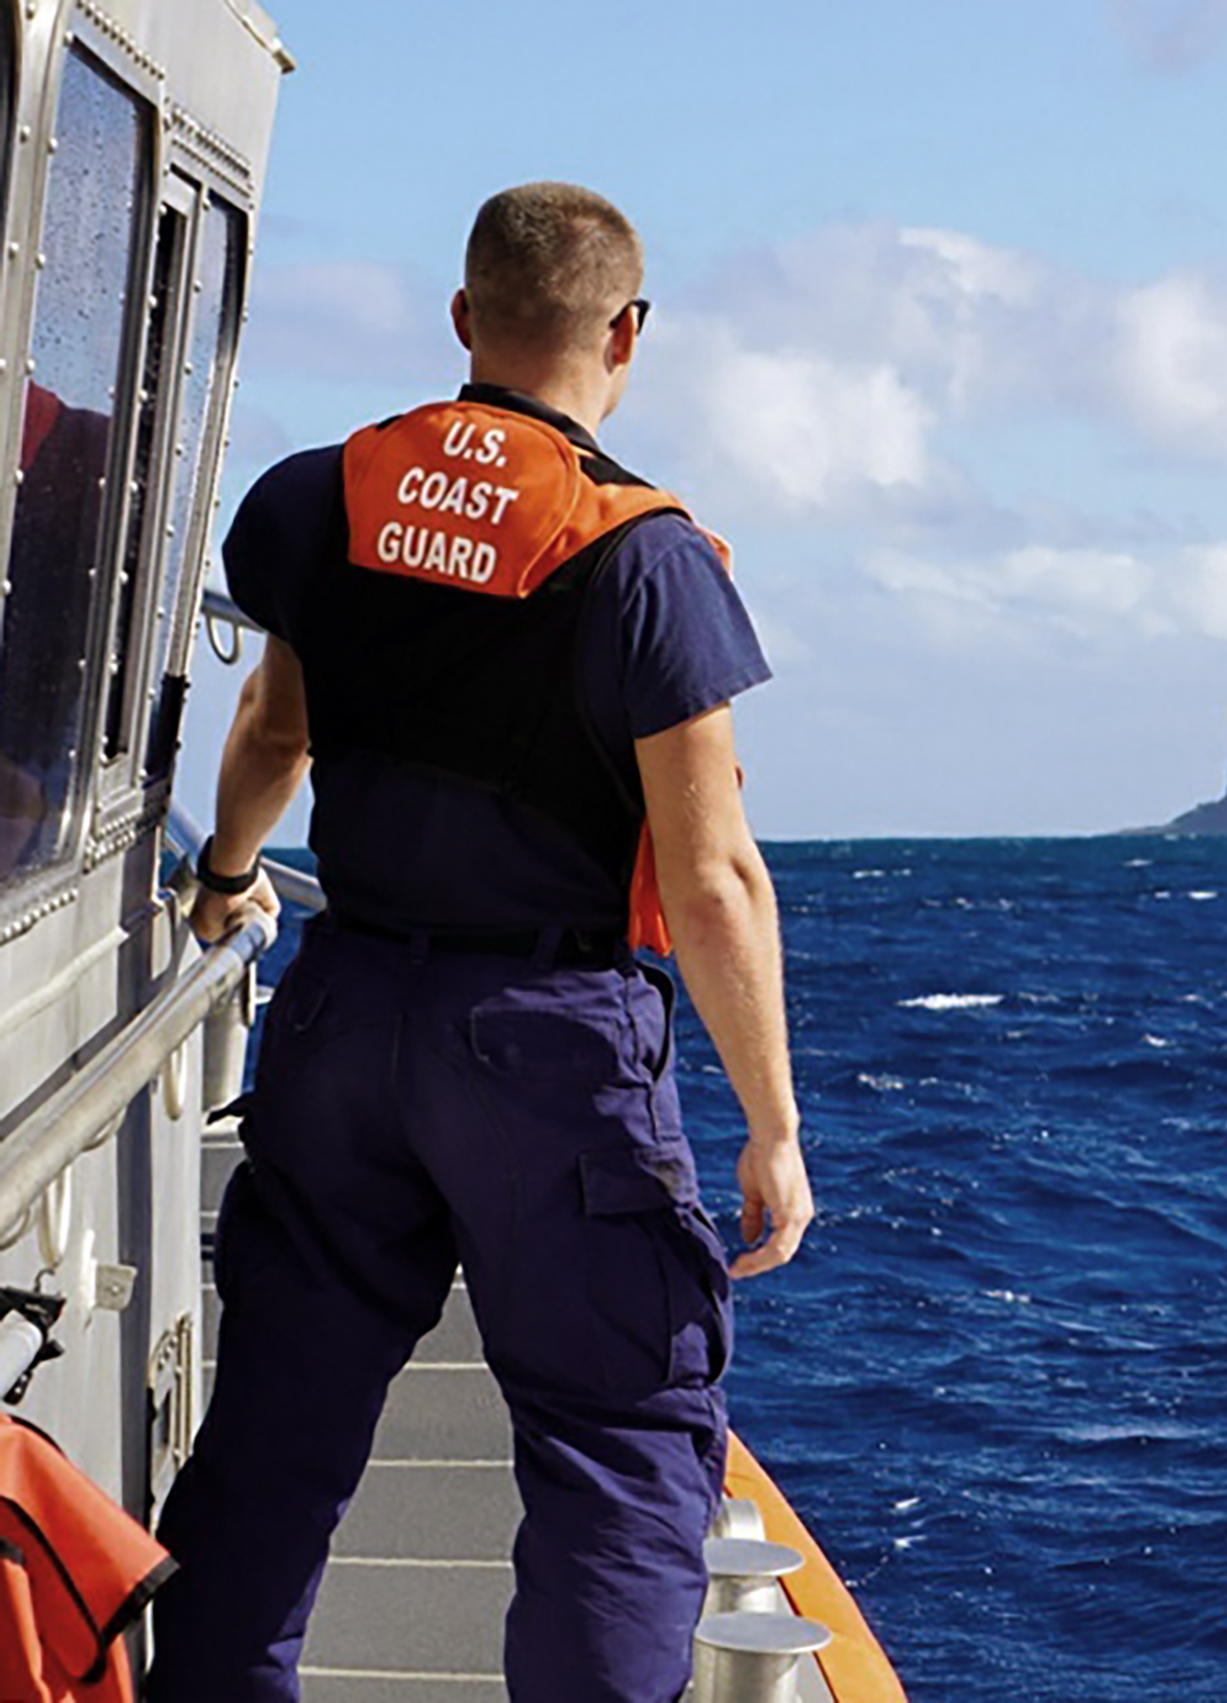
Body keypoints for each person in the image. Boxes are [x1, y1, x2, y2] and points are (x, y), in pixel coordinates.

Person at [148, 182, 815, 1703]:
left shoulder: (322, 500)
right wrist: (773, 1127)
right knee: (616, 1446)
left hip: (345, 1018)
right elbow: (712, 880)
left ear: (464, 318)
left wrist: (226, 876)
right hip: (549, 1045)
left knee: (278, 1428)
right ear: (627, 333)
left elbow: (272, 729)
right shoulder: (647, 559)